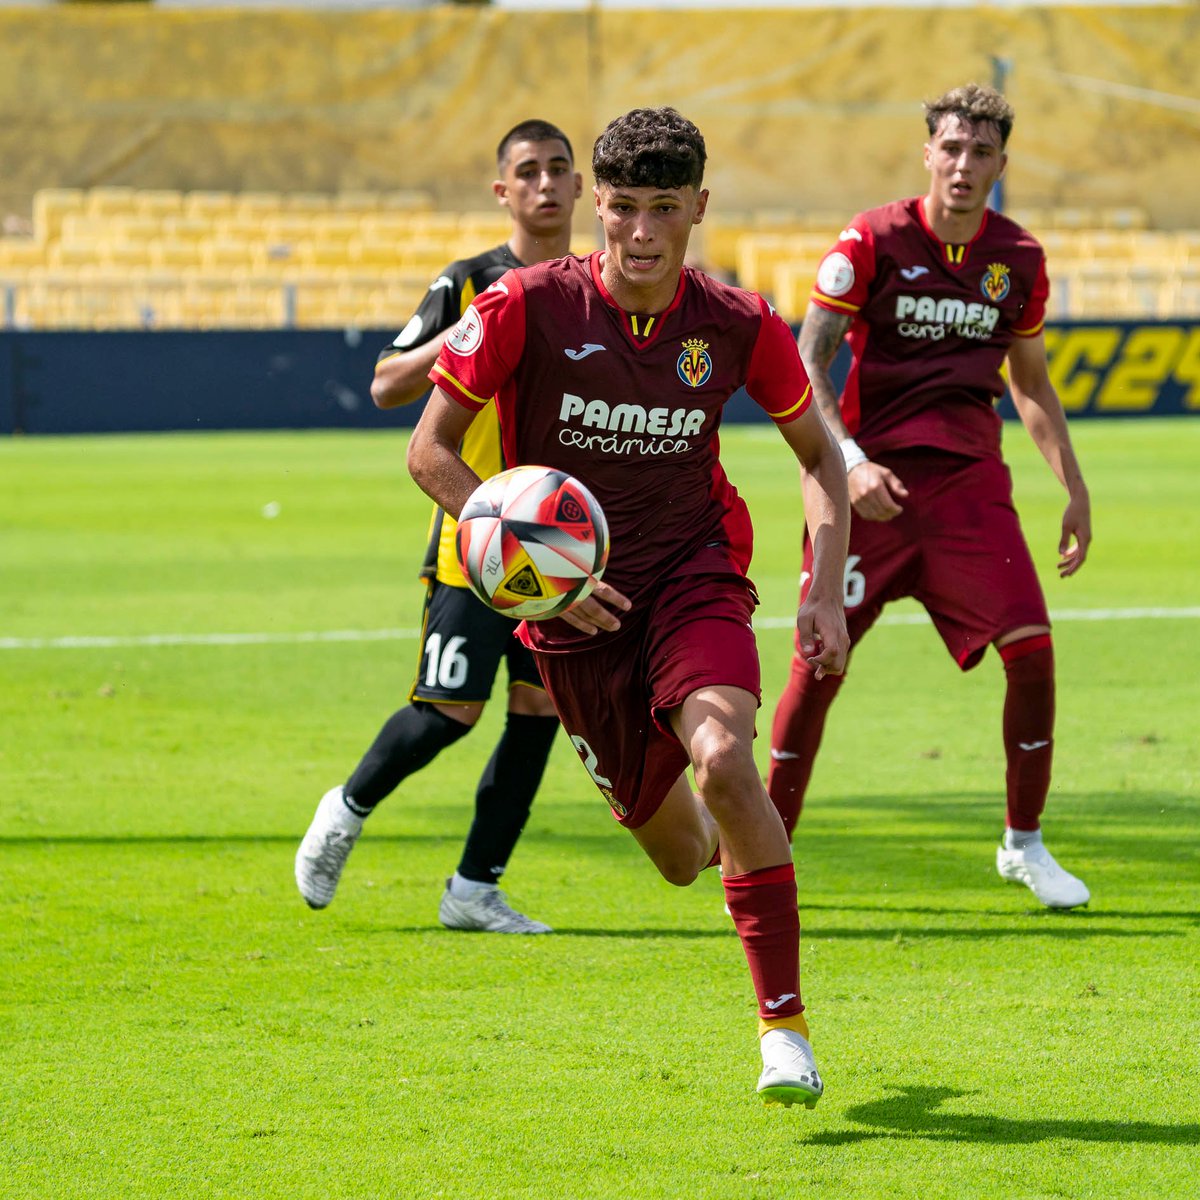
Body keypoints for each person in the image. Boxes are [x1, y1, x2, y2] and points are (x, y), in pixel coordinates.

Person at [407, 107, 851, 1106]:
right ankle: (724, 830)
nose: (640, 233)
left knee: (728, 759)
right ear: (594, 208)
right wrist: (525, 556)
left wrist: (823, 590)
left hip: (693, 572)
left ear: (699, 206)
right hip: (571, 622)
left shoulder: (739, 324)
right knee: (687, 857)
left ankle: (784, 1030)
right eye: (619, 210)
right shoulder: (523, 305)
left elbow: (820, 459)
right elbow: (429, 449)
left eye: (663, 209)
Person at [768, 84, 1093, 909]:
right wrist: (847, 463)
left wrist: (1074, 488)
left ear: (1000, 165)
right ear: (927, 155)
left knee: (1034, 653)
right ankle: (764, 840)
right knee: (818, 664)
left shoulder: (1018, 258)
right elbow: (806, 362)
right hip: (864, 487)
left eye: (980, 152)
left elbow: (1031, 386)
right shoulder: (871, 239)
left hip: (967, 490)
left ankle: (1024, 844)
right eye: (950, 148)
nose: (963, 164)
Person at [295, 119, 583, 933]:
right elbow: (387, 383)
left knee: (540, 714)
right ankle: (345, 810)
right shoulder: (468, 281)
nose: (546, 184)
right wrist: (464, 333)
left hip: (561, 545)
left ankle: (474, 890)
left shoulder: (599, 286)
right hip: (477, 539)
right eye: (528, 171)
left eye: (560, 169)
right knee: (448, 712)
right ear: (503, 190)